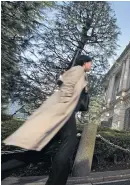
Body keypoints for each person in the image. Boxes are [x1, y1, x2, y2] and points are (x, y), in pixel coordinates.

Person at [3, 55, 92, 185]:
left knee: (39, 151)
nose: (91, 65)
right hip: (64, 112)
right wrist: (65, 107)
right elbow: (66, 87)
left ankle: (3, 169)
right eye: (90, 63)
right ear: (85, 62)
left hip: (62, 112)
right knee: (69, 142)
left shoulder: (80, 73)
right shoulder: (78, 69)